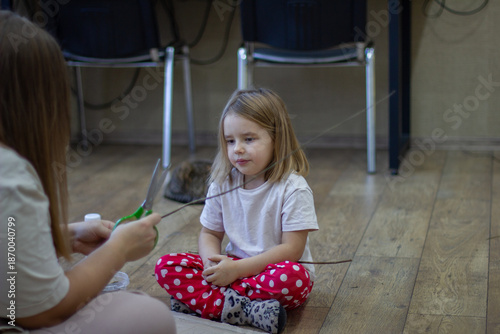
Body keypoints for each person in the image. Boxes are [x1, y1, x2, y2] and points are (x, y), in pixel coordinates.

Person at [0, 11, 176, 333]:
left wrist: (63, 236)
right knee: (148, 316)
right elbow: (37, 312)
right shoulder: (10, 176)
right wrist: (118, 249)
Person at [155, 88, 319, 334]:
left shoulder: (293, 188)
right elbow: (210, 234)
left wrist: (237, 272)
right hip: (231, 268)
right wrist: (212, 269)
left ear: (277, 138)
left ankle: (208, 303)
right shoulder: (221, 182)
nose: (237, 149)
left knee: (295, 279)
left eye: (248, 139)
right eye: (230, 141)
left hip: (271, 271)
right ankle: (248, 311)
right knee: (165, 265)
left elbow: (292, 250)